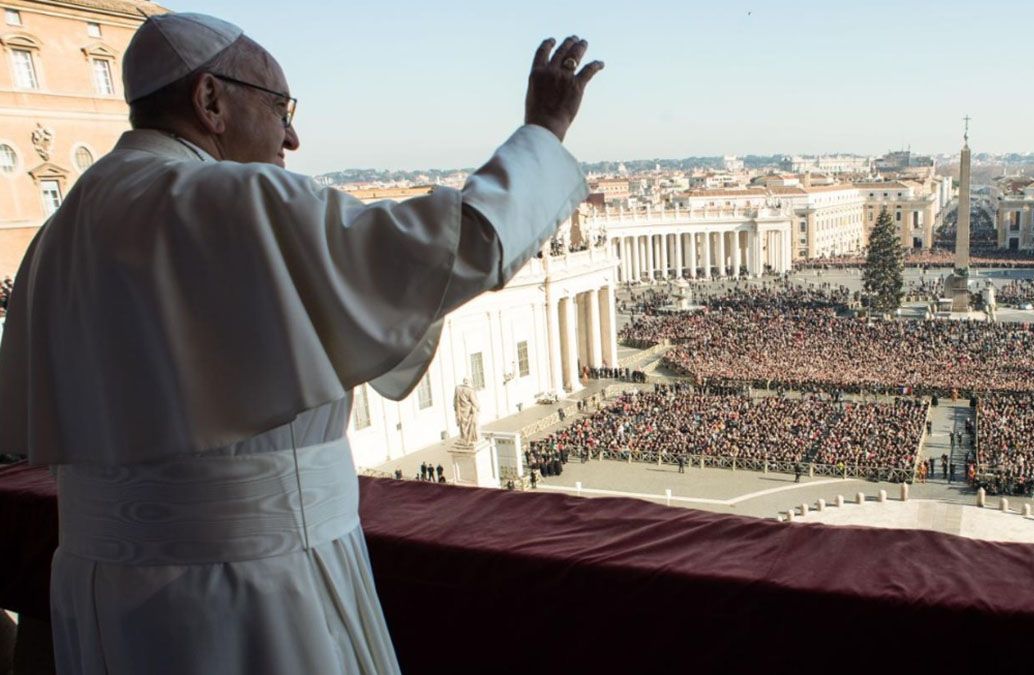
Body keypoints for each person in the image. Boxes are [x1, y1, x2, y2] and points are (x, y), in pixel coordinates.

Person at [0, 13, 603, 675]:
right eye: (280, 108)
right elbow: (454, 246)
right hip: (250, 589)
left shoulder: (54, 237)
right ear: (211, 101)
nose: (292, 134)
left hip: (100, 594)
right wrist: (543, 134)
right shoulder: (233, 199)